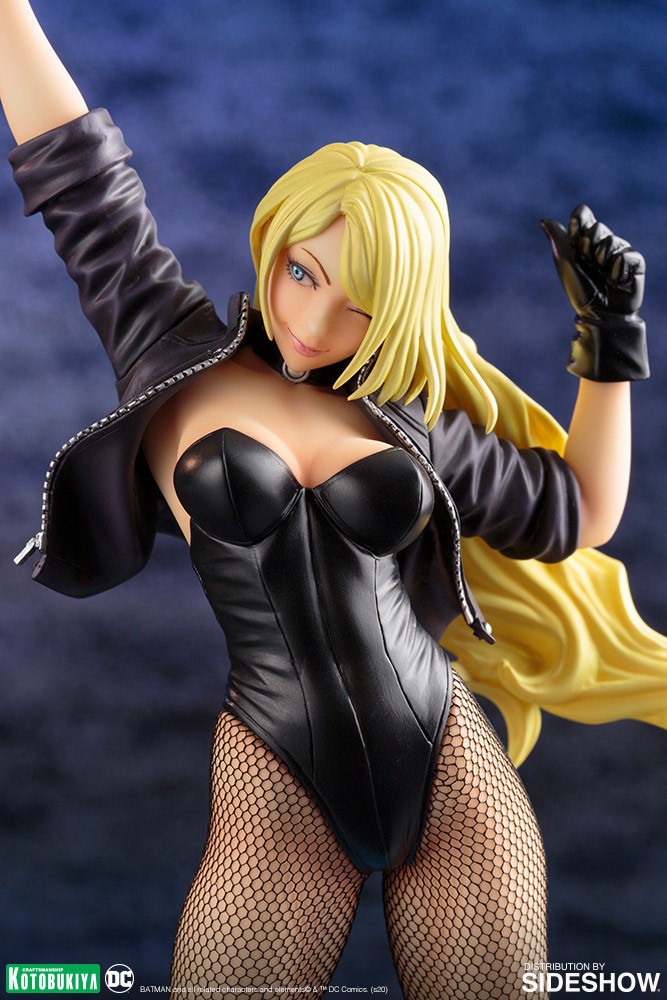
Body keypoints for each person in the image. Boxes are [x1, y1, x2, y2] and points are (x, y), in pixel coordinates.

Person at [2, 1, 666, 996]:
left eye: (358, 307)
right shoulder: (168, 345)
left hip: (453, 767)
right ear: (274, 239)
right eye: (302, 273)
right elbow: (76, 169)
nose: (313, 322)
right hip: (276, 775)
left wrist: (609, 345)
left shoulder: (414, 426)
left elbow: (574, 509)